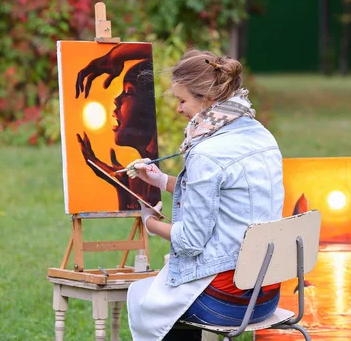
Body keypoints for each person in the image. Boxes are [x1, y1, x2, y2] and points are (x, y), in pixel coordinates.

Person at [124, 50, 284, 340]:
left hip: (229, 301)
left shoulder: (207, 153)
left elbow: (190, 242)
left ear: (208, 100)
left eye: (182, 100)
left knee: (145, 297)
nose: (178, 109)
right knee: (162, 295)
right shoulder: (261, 135)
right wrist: (161, 180)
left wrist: (148, 220)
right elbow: (221, 197)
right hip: (267, 292)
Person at [75, 43, 160, 211]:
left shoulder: (157, 176)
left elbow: (150, 55)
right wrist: (123, 188)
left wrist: (114, 57)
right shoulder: (144, 176)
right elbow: (142, 214)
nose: (116, 100)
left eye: (128, 92)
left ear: (148, 106)